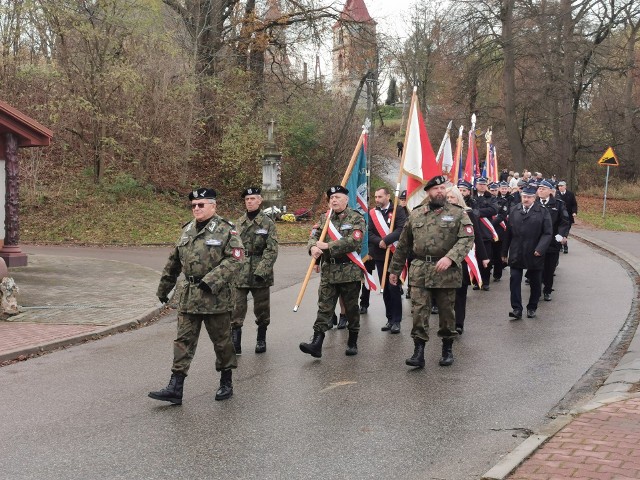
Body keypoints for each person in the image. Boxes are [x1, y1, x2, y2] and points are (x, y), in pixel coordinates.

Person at [149, 188, 244, 404]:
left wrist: (211, 281)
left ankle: (226, 381)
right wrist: (164, 288)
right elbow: (174, 262)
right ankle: (176, 386)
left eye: (201, 204)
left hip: (215, 297)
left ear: (213, 206)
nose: (197, 208)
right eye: (194, 205)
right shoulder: (187, 230)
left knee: (222, 342)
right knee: (183, 341)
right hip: (189, 296)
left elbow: (236, 259)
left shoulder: (227, 230)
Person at [389, 175, 474, 368]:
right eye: (436, 189)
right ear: (428, 192)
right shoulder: (416, 214)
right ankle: (418, 352)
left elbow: (467, 239)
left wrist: (450, 257)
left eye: (443, 188)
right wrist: (394, 269)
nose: (440, 192)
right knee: (419, 312)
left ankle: (447, 348)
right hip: (420, 270)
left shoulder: (458, 213)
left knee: (446, 313)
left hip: (446, 272)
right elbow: (403, 244)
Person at [299, 185, 365, 358]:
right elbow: (314, 236)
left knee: (351, 308)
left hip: (349, 270)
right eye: (331, 198)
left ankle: (352, 340)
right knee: (324, 307)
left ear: (346, 199)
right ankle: (317, 343)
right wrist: (312, 247)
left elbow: (354, 242)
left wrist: (329, 246)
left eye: (337, 197)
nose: (333, 200)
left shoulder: (356, 218)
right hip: (329, 271)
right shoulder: (324, 218)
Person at [231, 187, 278, 355]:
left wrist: (262, 271)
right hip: (240, 272)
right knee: (236, 308)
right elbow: (232, 248)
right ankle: (235, 343)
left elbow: (272, 250)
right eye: (247, 199)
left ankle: (261, 339)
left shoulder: (267, 223)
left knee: (262, 309)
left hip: (260, 273)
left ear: (260, 201)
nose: (249, 202)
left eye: (252, 199)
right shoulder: (238, 223)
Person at [501, 185, 552, 320]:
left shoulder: (542, 212)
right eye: (524, 196)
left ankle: (532, 307)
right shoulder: (514, 210)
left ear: (534, 198)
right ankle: (517, 308)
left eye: (529, 197)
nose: (526, 199)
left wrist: (540, 249)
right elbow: (508, 233)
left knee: (535, 281)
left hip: (534, 251)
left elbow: (547, 233)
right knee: (515, 279)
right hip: (517, 251)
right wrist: (504, 252)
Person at [445, 186, 489, 335]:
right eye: (447, 198)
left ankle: (459, 323)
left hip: (463, 257)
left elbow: (477, 235)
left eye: (452, 197)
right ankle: (447, 322)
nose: (449, 200)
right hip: (445, 257)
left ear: (459, 198)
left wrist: (484, 257)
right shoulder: (441, 214)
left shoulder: (468, 214)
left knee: (460, 292)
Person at [368, 187, 407, 333]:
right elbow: (369, 232)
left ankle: (397, 321)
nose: (377, 199)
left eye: (380, 196)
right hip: (380, 255)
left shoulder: (398, 210)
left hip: (395, 254)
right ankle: (389, 319)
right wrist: (380, 242)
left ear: (388, 196)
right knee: (385, 288)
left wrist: (387, 240)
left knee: (394, 287)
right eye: (376, 197)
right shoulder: (372, 213)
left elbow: (401, 228)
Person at [536, 180, 570, 301]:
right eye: (539, 188)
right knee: (536, 267)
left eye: (543, 188)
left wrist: (561, 235)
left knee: (549, 268)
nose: (540, 190)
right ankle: (536, 290)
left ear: (550, 191)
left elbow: (565, 221)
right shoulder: (533, 203)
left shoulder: (559, 204)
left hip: (552, 241)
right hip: (536, 242)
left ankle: (547, 289)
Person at [466, 177, 497, 290]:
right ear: (476, 185)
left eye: (484, 184)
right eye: (480, 184)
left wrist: (478, 212)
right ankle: (476, 281)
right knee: (475, 258)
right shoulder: (471, 197)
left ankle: (486, 281)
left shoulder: (491, 198)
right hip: (472, 230)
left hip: (485, 231)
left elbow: (494, 210)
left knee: (486, 257)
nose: (482, 186)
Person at [556, 181, 578, 253]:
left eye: (562, 186)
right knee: (559, 231)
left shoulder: (570, 194)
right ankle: (561, 246)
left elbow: (574, 204)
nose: (560, 187)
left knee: (565, 232)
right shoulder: (556, 194)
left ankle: (564, 245)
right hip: (559, 217)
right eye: (559, 186)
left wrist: (574, 212)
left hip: (568, 217)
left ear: (565, 186)